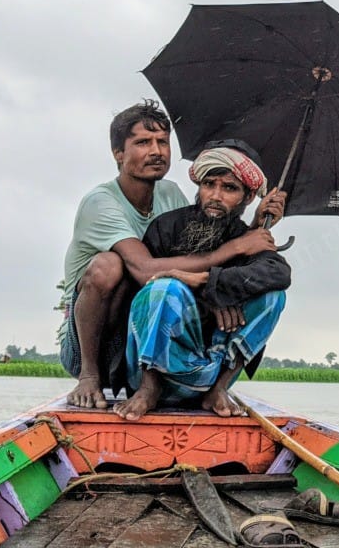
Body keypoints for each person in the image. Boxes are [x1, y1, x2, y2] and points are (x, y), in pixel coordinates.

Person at [59, 100, 284, 408]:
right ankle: (91, 377)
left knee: (266, 293)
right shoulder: (101, 203)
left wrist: (249, 233)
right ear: (118, 154)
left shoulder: (170, 196)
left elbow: (201, 254)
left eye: (162, 142)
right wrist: (235, 249)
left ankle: (209, 385)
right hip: (99, 342)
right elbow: (145, 269)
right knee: (111, 266)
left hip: (151, 323)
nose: (156, 151)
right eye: (142, 142)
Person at [112, 141, 290, 420]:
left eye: (229, 188)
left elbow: (278, 273)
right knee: (164, 289)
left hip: (208, 370)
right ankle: (149, 389)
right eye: (209, 184)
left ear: (246, 197)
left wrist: (210, 284)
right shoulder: (167, 227)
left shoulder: (248, 237)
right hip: (146, 363)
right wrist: (210, 293)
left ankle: (218, 390)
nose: (215, 196)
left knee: (274, 296)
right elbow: (142, 294)